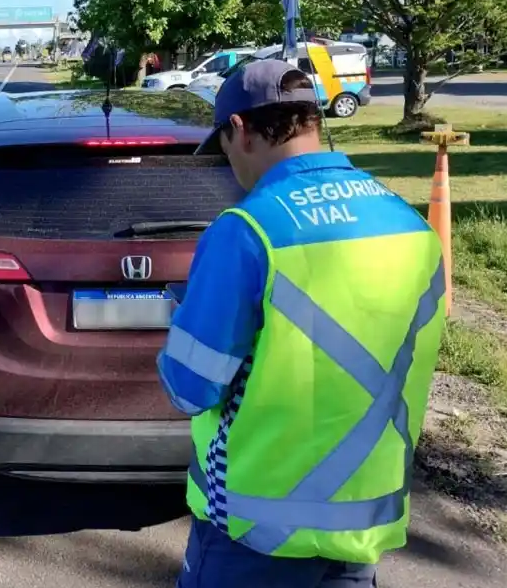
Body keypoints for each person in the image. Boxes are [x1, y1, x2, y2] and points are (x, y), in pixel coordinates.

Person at [156, 59, 446, 587]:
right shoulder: (409, 224)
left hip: (250, 538)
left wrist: (183, 322)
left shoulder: (246, 231)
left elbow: (190, 389)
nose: (230, 165)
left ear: (239, 130)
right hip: (359, 534)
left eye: (222, 146)